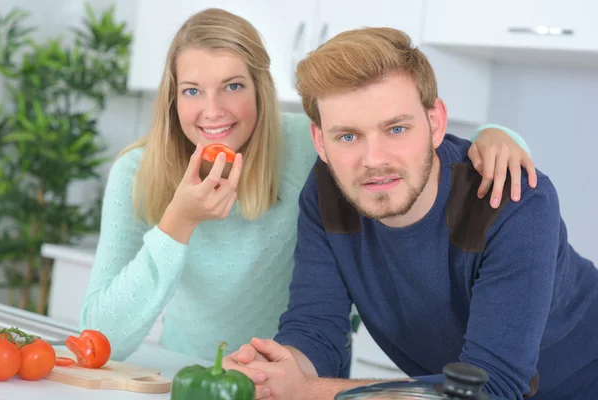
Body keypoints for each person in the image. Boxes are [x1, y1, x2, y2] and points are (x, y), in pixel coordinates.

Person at [79, 8, 536, 365]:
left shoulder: (306, 143)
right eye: (193, 90)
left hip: (304, 371)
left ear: (260, 87)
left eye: (233, 85)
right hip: (191, 371)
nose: (213, 110)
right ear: (172, 97)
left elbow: (406, 137)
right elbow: (101, 340)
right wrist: (178, 222)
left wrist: (497, 135)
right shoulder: (138, 173)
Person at [223, 27, 598, 400]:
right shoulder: (327, 193)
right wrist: (273, 371)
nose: (374, 160)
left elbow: (491, 387)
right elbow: (315, 328)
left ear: (435, 123)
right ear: (321, 141)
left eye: (396, 128)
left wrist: (308, 390)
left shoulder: (512, 200)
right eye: (348, 137)